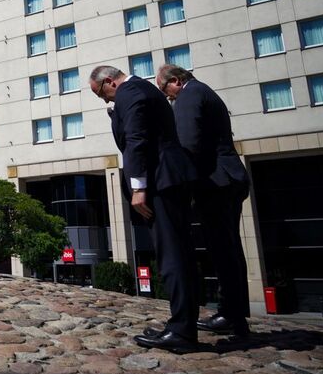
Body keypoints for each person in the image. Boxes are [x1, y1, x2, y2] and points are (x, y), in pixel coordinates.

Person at [89, 65, 200, 353]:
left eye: (101, 94)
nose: (105, 100)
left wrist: (139, 188)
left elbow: (137, 139)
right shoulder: (144, 89)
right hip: (170, 177)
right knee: (179, 253)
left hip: (161, 180)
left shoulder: (131, 93)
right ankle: (181, 323)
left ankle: (182, 331)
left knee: (173, 255)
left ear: (110, 82)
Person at [157, 64, 251, 338]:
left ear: (175, 81)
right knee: (229, 248)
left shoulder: (190, 95)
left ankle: (231, 314)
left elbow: (188, 141)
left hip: (217, 181)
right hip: (227, 177)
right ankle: (234, 313)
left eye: (167, 93)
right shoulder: (203, 91)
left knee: (223, 249)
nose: (170, 99)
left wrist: (181, 180)